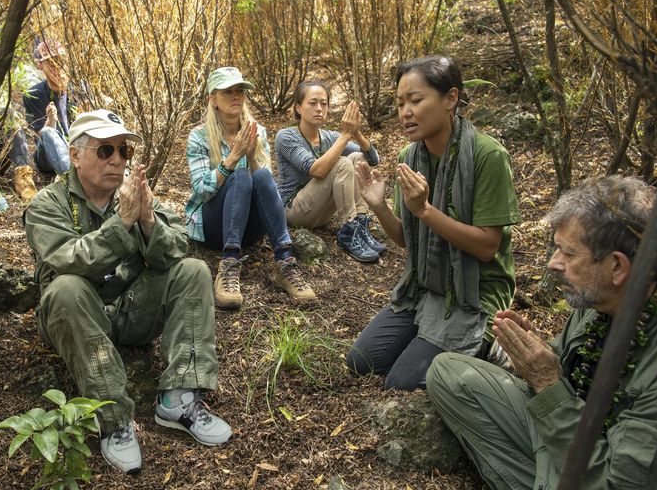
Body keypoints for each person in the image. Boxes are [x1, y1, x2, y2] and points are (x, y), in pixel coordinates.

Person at [427, 176, 657, 490]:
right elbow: (571, 378)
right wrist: (540, 360)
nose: (553, 264)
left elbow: (623, 489)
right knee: (449, 374)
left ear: (618, 267)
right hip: (574, 439)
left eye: (569, 253)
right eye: (556, 249)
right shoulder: (598, 299)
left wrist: (547, 383)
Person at [24, 110, 232, 475]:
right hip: (77, 317)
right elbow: (69, 261)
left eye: (123, 151)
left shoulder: (134, 195)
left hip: (130, 311)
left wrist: (148, 220)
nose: (118, 159)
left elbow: (177, 250)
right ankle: (114, 418)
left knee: (193, 271)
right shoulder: (47, 205)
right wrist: (122, 224)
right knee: (67, 287)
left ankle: (180, 398)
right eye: (105, 150)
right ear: (75, 155)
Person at [345, 55, 521, 389]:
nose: (405, 112)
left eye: (415, 100)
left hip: (475, 295)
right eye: (399, 104)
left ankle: (491, 345)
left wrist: (425, 211)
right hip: (426, 289)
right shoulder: (410, 158)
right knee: (361, 362)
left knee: (400, 381)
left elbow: (486, 247)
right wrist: (379, 206)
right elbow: (406, 238)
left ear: (450, 98)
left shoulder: (487, 156)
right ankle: (439, 337)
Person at [185, 66, 316, 309]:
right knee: (240, 176)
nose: (236, 96)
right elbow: (201, 191)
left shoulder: (257, 132)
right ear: (213, 99)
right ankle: (229, 264)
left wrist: (251, 156)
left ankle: (285, 262)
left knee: (261, 174)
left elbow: (267, 191)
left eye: (239, 91)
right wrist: (232, 159)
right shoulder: (199, 137)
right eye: (227, 91)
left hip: (250, 228)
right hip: (214, 228)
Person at [275, 81, 384, 263]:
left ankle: (359, 226)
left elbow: (373, 159)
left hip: (319, 210)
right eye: (313, 103)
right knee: (341, 162)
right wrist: (344, 136)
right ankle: (348, 231)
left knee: (357, 158)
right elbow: (316, 171)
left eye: (324, 103)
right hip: (293, 210)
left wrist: (355, 133)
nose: (319, 108)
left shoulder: (329, 137)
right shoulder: (285, 137)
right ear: (298, 107)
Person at [23, 39, 77, 175]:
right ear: (40, 66)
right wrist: (51, 121)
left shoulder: (80, 89)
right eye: (51, 63)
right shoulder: (33, 95)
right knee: (47, 132)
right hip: (47, 158)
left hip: (77, 151)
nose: (57, 67)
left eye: (60, 61)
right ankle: (72, 178)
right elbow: (41, 137)